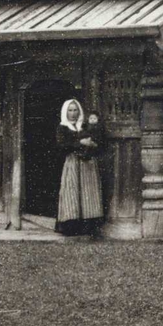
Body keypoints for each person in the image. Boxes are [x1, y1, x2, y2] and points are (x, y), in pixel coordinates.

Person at [56, 99, 105, 236]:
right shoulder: (62, 127)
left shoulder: (85, 125)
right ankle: (71, 226)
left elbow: (98, 140)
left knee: (89, 193)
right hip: (72, 162)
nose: (73, 113)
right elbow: (61, 145)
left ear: (79, 111)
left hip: (88, 163)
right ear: (66, 112)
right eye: (70, 110)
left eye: (75, 110)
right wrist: (80, 142)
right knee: (72, 192)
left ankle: (89, 227)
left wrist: (94, 144)